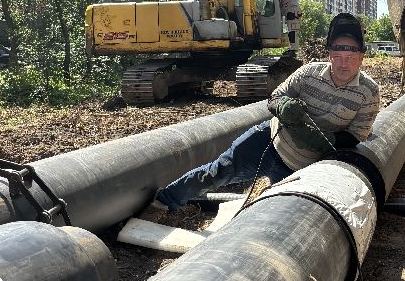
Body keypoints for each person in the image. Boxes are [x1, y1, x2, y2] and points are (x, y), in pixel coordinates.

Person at [153, 13, 380, 210]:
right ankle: (164, 202)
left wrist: (324, 141)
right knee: (217, 171)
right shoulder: (309, 73)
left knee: (279, 210)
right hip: (269, 141)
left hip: (303, 168)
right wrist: (283, 106)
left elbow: (357, 135)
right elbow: (275, 97)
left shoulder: (368, 92)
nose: (343, 64)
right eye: (337, 57)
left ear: (361, 57)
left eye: (350, 58)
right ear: (330, 54)